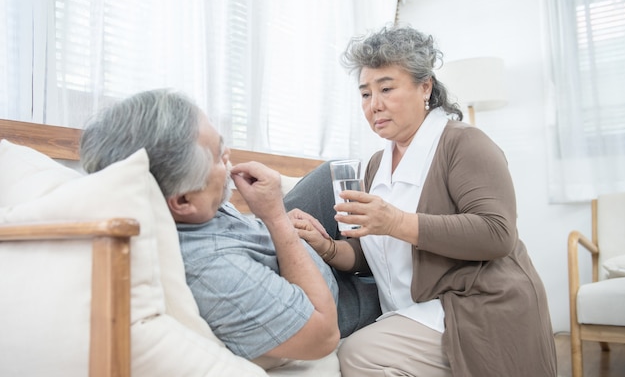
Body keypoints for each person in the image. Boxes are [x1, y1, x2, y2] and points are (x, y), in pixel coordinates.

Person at [288, 25, 557, 376]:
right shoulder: (374, 165)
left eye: (386, 88)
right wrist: (327, 248)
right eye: (366, 94)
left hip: (476, 304)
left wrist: (396, 222)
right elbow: (377, 257)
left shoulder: (465, 144)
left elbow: (497, 233)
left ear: (425, 86)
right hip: (419, 309)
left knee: (357, 354)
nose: (375, 105)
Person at [78, 89, 379, 369]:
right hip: (329, 293)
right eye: (219, 157)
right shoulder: (210, 268)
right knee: (395, 285)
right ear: (183, 200)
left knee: (337, 170)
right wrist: (276, 219)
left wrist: (279, 222)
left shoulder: (174, 202)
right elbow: (322, 336)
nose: (229, 157)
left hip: (283, 243)